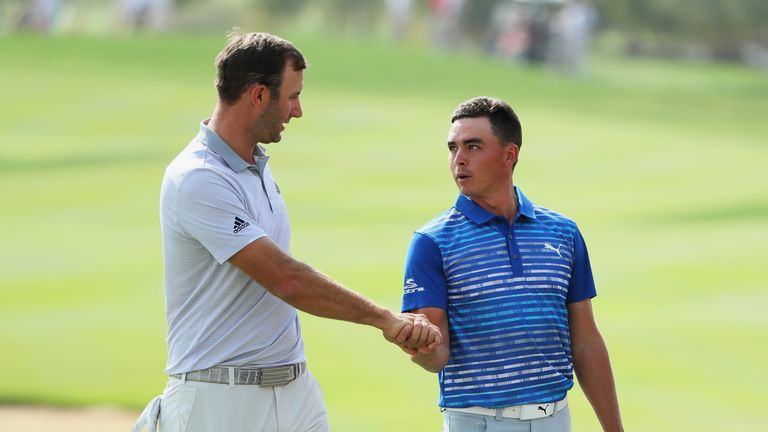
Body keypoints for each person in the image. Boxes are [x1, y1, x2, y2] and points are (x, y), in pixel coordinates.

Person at [132, 31, 441, 432]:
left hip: (295, 391)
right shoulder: (198, 177)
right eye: (292, 96)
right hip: (220, 399)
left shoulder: (256, 165)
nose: (297, 111)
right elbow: (285, 278)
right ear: (259, 95)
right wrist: (386, 320)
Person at [399, 96, 623, 431]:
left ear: (509, 154)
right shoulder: (432, 243)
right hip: (478, 421)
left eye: (473, 147)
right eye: (452, 148)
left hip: (555, 419)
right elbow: (437, 354)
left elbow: (586, 341)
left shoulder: (563, 232)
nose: (458, 160)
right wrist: (422, 348)